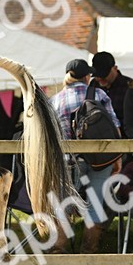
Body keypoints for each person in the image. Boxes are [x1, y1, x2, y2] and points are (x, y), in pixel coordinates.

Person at [50, 59, 121, 253]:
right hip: (100, 159)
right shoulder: (99, 94)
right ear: (86, 76)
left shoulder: (55, 100)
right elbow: (114, 127)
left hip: (69, 161)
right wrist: (116, 159)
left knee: (63, 203)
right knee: (95, 202)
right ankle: (89, 251)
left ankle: (60, 249)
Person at [90, 52, 132, 134]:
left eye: (104, 75)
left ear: (115, 68)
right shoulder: (93, 85)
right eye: (97, 75)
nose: (100, 79)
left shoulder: (129, 86)